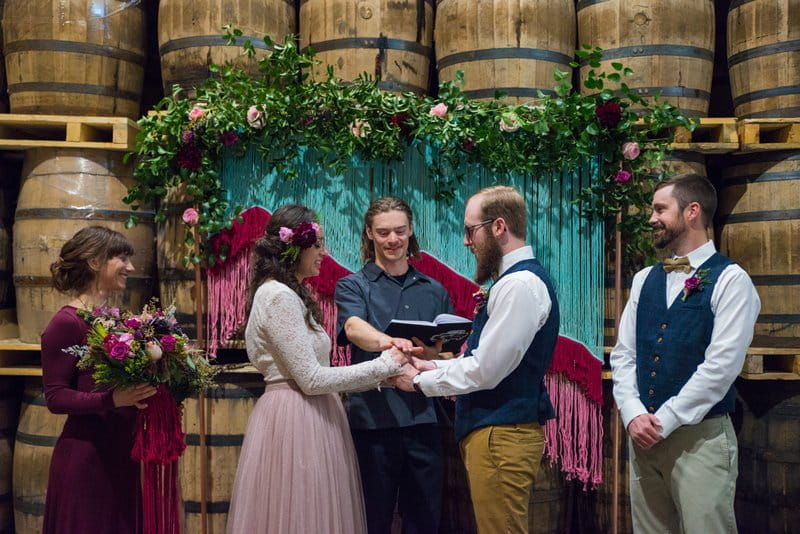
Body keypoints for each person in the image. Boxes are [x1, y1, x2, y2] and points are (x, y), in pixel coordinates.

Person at [225, 204, 412, 534]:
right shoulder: (278, 296)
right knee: (299, 513)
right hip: (296, 415)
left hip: (312, 412)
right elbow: (311, 379)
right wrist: (384, 366)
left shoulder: (290, 294)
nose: (324, 253)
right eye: (318, 244)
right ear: (295, 248)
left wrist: (382, 375)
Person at [390, 185, 560, 534]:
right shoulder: (513, 282)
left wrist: (419, 381)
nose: (467, 242)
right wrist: (432, 365)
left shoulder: (519, 285)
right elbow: (486, 359)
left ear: (498, 227)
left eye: (471, 230)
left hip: (502, 433)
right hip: (496, 432)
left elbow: (487, 370)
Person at [610, 174, 760, 533]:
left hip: (700, 440)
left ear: (692, 212)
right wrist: (632, 414)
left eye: (660, 209)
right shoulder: (645, 278)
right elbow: (624, 355)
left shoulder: (731, 280)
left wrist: (664, 420)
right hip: (642, 438)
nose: (651, 218)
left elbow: (721, 368)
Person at [334, 196, 453, 534]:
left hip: (425, 421)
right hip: (373, 422)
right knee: (373, 520)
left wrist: (433, 355)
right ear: (369, 233)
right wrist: (391, 344)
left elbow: (447, 354)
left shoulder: (435, 289)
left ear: (411, 231)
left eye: (399, 231)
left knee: (425, 521)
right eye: (383, 232)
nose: (392, 240)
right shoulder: (352, 285)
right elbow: (353, 328)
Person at [42, 225, 157, 534]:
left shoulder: (115, 319)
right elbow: (55, 397)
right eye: (121, 258)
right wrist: (112, 400)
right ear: (94, 262)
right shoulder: (66, 323)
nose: (130, 267)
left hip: (121, 456)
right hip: (87, 460)